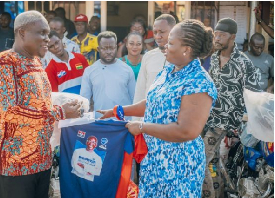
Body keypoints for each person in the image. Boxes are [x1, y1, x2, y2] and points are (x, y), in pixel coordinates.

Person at [98, 19, 217, 197]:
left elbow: (186, 131)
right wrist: (119, 111)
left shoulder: (198, 82)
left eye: (171, 42)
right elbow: (153, 103)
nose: (164, 45)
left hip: (179, 167)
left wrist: (142, 127)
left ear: (186, 49)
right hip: (154, 161)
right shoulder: (169, 70)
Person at [0, 11, 82, 198]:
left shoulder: (36, 62)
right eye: (42, 33)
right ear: (22, 33)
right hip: (15, 164)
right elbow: (9, 112)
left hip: (41, 161)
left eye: (48, 34)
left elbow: (40, 103)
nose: (47, 39)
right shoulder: (4, 63)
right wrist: (60, 112)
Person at [202, 18, 262, 198]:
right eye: (216, 34)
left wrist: (246, 126)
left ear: (233, 37)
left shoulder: (244, 63)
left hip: (228, 122)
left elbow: (255, 95)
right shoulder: (213, 58)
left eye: (222, 35)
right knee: (213, 162)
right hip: (209, 118)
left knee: (203, 158)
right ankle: (220, 192)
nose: (217, 38)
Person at [80, 31, 135, 119]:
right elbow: (84, 101)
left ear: (116, 47)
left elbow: (134, 99)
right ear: (98, 49)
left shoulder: (127, 70)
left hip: (124, 124)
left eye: (111, 48)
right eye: (104, 48)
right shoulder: (89, 71)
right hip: (100, 123)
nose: (108, 51)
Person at [133, 14, 176, 105]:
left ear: (174, 31)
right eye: (155, 32)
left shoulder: (183, 58)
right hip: (148, 117)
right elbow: (140, 92)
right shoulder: (148, 57)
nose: (157, 36)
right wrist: (136, 119)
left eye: (162, 32)